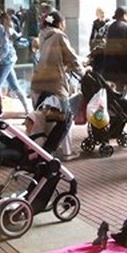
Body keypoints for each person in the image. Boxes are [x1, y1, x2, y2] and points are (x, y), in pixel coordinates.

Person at [30, 10, 85, 158]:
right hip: (54, 83)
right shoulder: (59, 35)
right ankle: (47, 153)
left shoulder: (43, 35)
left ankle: (52, 151)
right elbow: (71, 58)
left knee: (45, 118)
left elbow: (55, 57)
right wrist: (84, 73)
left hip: (38, 83)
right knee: (66, 117)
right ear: (60, 23)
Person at [0, 6, 29, 115]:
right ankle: (27, 109)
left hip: (6, 60)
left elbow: (5, 48)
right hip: (4, 59)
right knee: (14, 85)